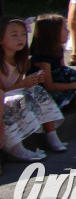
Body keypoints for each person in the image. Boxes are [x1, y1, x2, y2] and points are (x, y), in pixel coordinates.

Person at [1, 16, 67, 160]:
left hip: (12, 94)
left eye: (24, 35)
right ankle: (14, 147)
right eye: (14, 35)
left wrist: (31, 82)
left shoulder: (20, 59)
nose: (21, 39)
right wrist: (23, 84)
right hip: (3, 100)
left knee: (37, 91)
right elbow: (3, 92)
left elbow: (18, 85)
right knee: (17, 99)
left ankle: (51, 135)